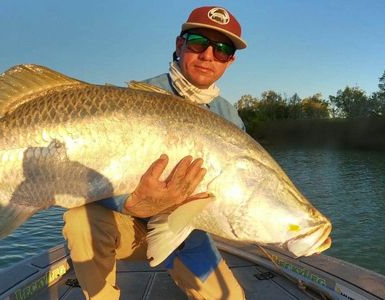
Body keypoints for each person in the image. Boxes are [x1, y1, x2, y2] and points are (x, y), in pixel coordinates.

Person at [63, 5, 247, 300]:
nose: (208, 55)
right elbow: (92, 174)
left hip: (188, 234)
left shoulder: (229, 117)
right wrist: (131, 202)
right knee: (81, 219)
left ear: (230, 61)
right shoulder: (140, 97)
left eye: (222, 49)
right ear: (180, 44)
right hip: (129, 227)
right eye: (199, 42)